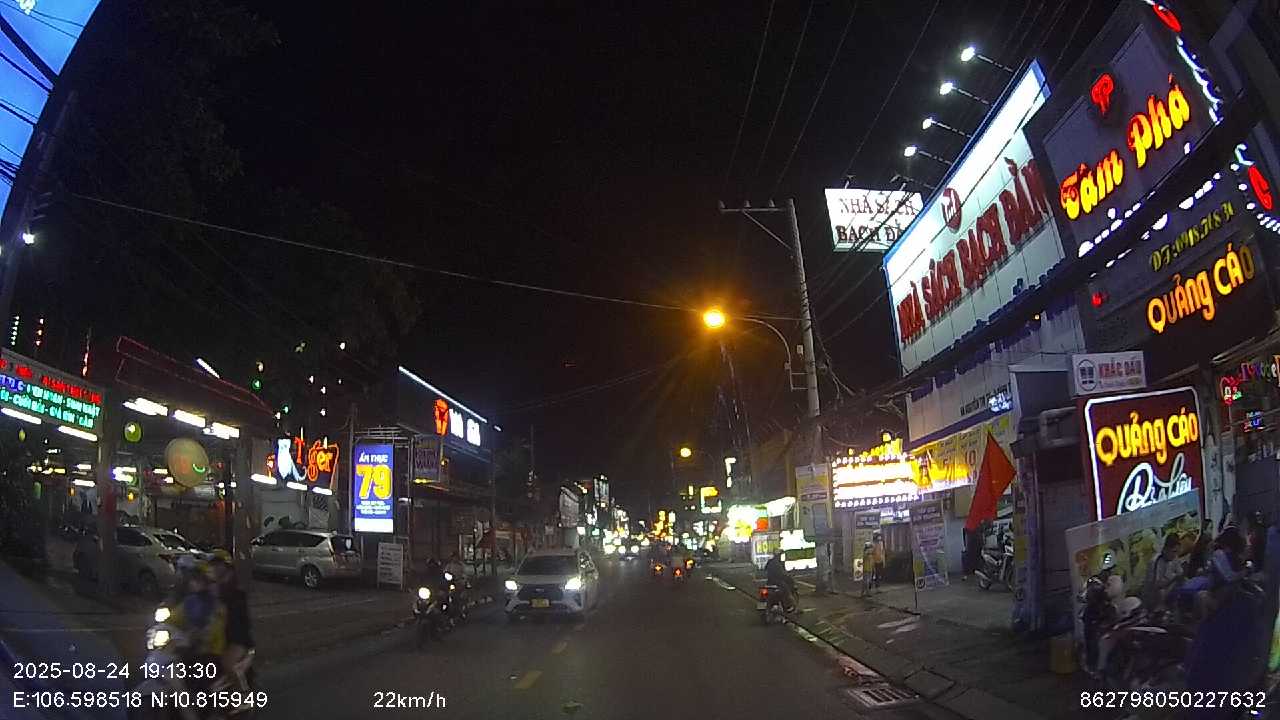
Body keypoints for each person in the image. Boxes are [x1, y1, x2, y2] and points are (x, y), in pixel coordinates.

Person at [208, 551, 254, 695]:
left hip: (237, 639)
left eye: (218, 565)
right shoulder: (211, 588)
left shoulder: (235, 591)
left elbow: (239, 621)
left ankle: (244, 695)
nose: (214, 568)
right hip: (216, 637)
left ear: (226, 567)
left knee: (227, 663)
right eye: (213, 565)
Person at [1144, 533, 1184, 611]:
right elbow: (1156, 586)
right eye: (1173, 551)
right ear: (1165, 549)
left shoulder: (1174, 557)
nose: (1175, 555)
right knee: (1161, 592)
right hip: (1154, 596)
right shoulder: (1155, 562)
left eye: (1177, 552)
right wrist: (1174, 578)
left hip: (1169, 590)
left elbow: (1180, 573)